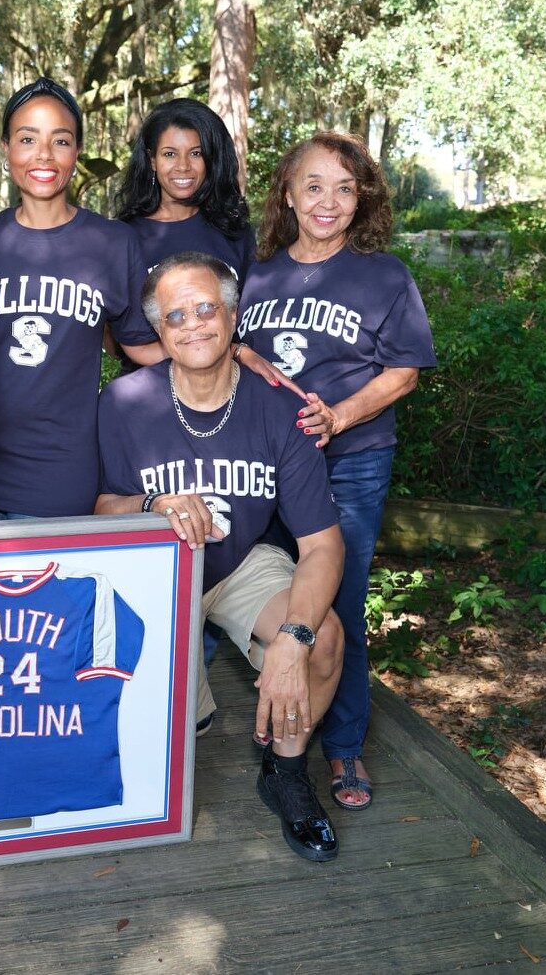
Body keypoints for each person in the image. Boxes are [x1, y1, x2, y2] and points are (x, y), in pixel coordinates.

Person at [96, 251, 346, 863]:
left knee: (324, 637)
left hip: (238, 563)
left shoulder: (280, 407)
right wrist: (153, 500)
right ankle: (191, 709)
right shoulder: (124, 400)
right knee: (172, 734)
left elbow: (322, 545)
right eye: (176, 315)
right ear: (159, 332)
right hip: (158, 572)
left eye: (207, 308)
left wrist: (291, 638)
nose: (194, 324)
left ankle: (285, 775)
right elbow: (103, 512)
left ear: (233, 316)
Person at [238, 131, 435, 812]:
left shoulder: (384, 275)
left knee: (337, 605)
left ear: (362, 199)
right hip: (265, 469)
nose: (328, 200)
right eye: (313, 185)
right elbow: (222, 345)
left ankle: (343, 744)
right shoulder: (256, 271)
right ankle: (270, 720)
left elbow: (403, 371)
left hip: (348, 464)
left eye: (344, 187)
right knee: (267, 601)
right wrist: (240, 353)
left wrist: (339, 416)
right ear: (287, 194)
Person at [0, 77, 162, 519]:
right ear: (5, 149)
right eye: (27, 139)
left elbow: (137, 344)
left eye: (61, 140)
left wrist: (231, 356)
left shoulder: (113, 243)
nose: (44, 155)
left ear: (77, 152)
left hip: (64, 470)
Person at [114, 98, 255, 279]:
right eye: (170, 154)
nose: (183, 166)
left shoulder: (235, 233)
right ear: (152, 160)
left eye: (196, 153)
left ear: (211, 160)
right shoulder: (124, 237)